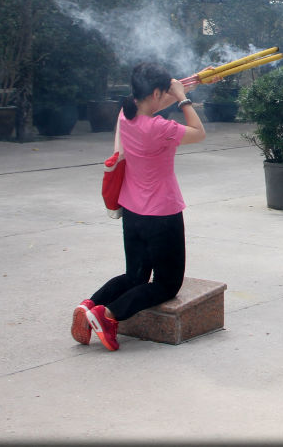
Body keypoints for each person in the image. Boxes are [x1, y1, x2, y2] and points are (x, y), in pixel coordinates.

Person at [72, 61, 206, 351]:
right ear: (157, 93)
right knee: (167, 284)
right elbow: (199, 131)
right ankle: (107, 315)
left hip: (132, 212)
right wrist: (184, 97)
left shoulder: (125, 115)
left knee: (135, 276)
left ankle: (89, 305)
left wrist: (194, 82)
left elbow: (153, 103)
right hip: (162, 215)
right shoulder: (159, 128)